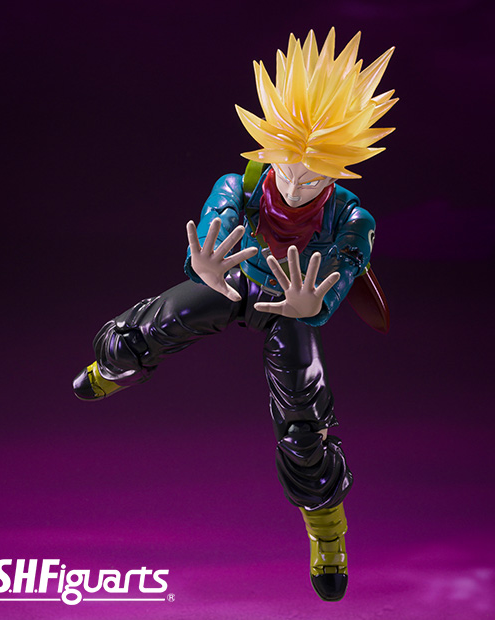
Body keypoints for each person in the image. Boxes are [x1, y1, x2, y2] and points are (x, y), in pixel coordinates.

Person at [73, 28, 397, 602]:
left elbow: (343, 270)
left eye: (313, 175)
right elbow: (216, 225)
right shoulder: (239, 184)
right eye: (286, 166)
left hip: (290, 307)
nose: (294, 184)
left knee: (304, 423)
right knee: (145, 329)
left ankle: (327, 536)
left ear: (339, 170)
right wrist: (204, 266)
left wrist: (314, 305)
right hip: (235, 282)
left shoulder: (352, 219)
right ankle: (113, 369)